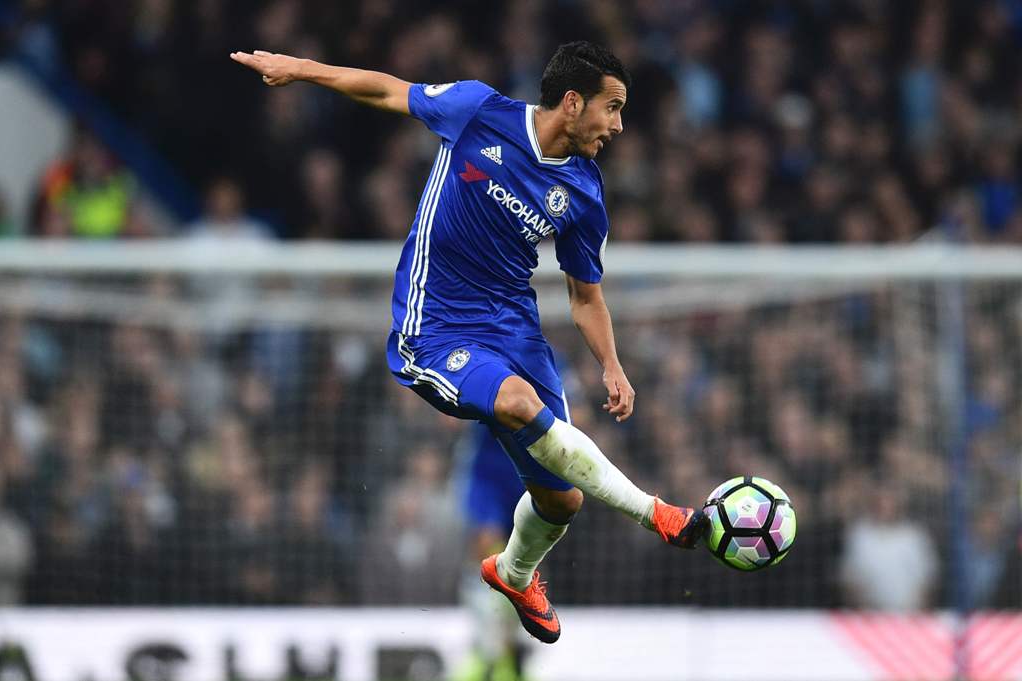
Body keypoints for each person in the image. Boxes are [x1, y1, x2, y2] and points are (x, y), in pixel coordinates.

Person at [231, 40, 706, 644]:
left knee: (562, 502)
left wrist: (611, 363)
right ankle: (659, 514)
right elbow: (383, 87)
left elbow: (585, 298)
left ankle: (514, 573)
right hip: (435, 328)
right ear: (571, 101)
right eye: (611, 107)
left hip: (514, 329)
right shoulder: (479, 111)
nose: (618, 125)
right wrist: (298, 70)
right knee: (516, 402)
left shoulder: (584, 194)